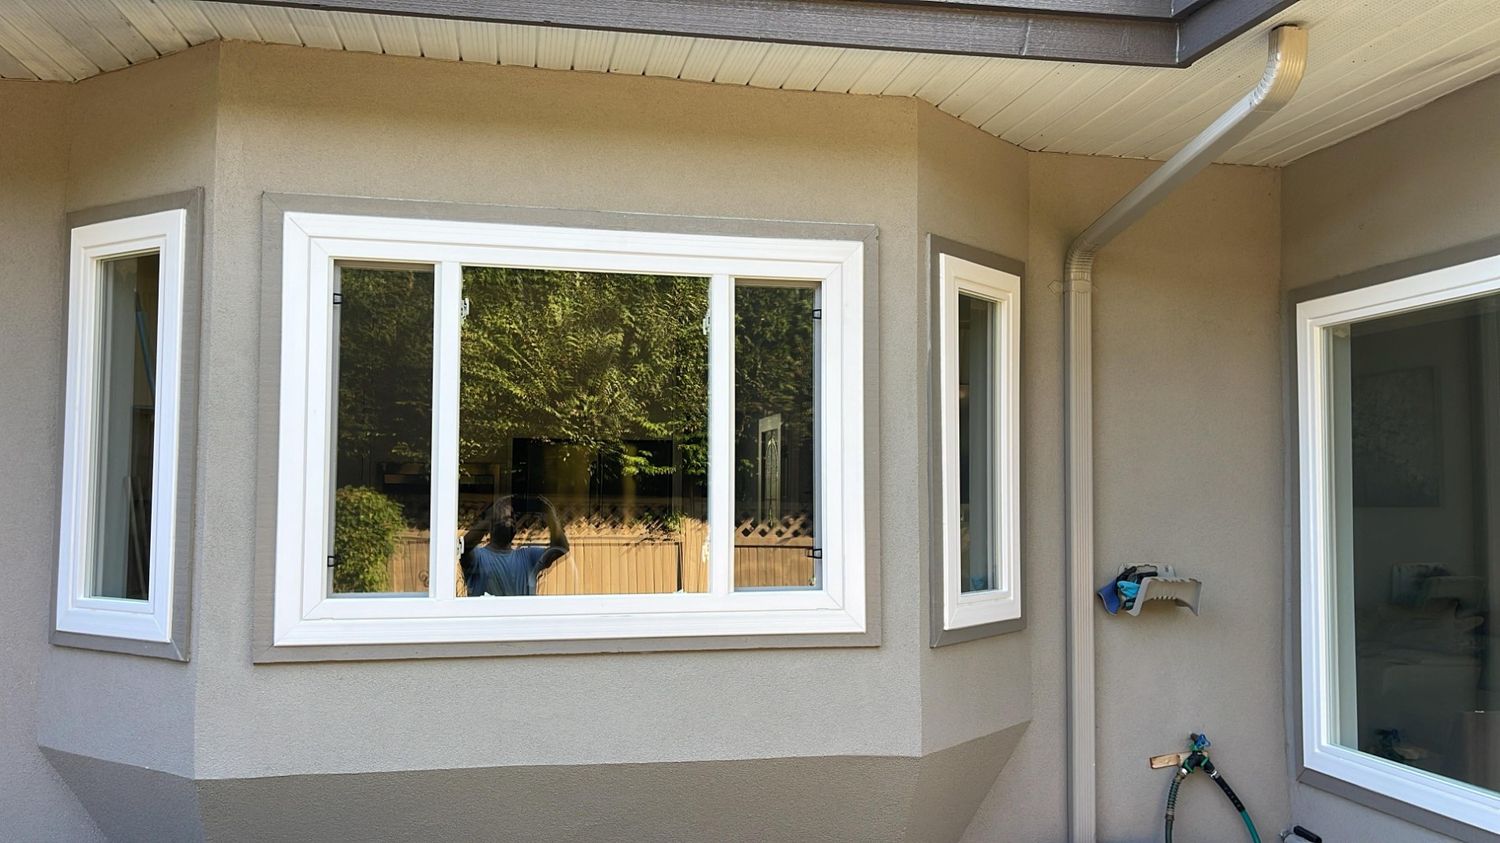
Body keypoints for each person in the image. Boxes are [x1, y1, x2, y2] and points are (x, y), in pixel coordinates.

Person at [459, 495, 569, 596]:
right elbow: (464, 547)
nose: (510, 517)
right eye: (503, 515)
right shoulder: (478, 557)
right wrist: (490, 517)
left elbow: (561, 548)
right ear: (491, 525)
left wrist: (550, 514)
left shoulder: (528, 557)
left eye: (512, 516)